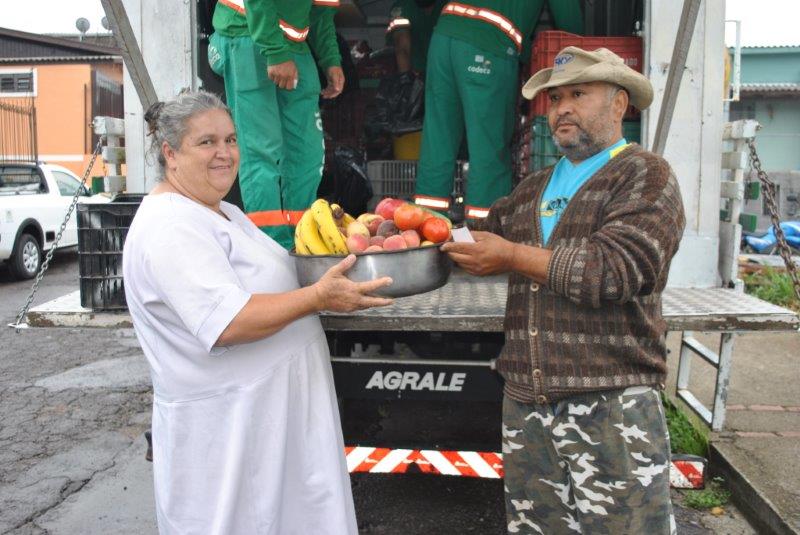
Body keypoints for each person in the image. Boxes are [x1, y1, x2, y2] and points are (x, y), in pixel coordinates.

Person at [123, 91, 393, 534]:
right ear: (170, 153)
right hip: (230, 439)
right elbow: (227, 322)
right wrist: (319, 298)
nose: (225, 153)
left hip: (267, 426)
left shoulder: (221, 211)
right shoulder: (170, 227)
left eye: (230, 140)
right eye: (206, 142)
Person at [442, 47, 686, 534]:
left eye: (578, 94)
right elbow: (477, 244)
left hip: (611, 407)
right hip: (527, 406)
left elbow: (613, 271)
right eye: (555, 100)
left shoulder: (644, 174)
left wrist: (510, 256)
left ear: (619, 105)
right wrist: (404, 234)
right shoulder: (532, 188)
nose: (561, 109)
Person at [413, 0, 583, 221]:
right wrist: (581, 52)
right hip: (488, 44)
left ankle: (426, 226)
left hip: (443, 38)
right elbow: (567, 16)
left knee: (438, 138)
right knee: (488, 146)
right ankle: (484, 230)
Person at [208, 0, 345, 250]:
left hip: (294, 45)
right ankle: (268, 246)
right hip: (246, 31)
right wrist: (275, 52)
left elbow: (321, 12)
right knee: (262, 149)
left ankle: (302, 239)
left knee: (307, 153)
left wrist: (331, 60)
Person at [386, 0, 447, 75]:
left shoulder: (450, 6)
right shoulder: (402, 7)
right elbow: (402, 47)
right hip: (415, 74)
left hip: (444, 75)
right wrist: (406, 79)